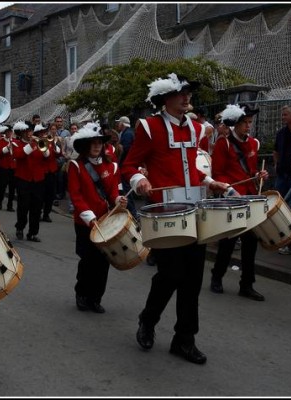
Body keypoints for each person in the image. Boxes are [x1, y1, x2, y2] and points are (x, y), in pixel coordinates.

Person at [121, 72, 229, 364]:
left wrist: (209, 182)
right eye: (181, 93)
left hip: (194, 213)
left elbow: (192, 168)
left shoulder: (195, 129)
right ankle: (148, 318)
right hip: (165, 215)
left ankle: (184, 339)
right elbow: (129, 166)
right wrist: (139, 182)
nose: (187, 98)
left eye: (189, 93)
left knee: (193, 279)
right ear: (165, 98)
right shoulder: (149, 126)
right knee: (170, 275)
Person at [209, 103, 269, 301]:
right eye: (245, 123)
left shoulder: (253, 144)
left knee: (251, 243)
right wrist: (230, 189)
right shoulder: (223, 144)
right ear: (235, 124)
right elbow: (217, 174)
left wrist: (259, 175)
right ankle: (217, 277)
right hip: (232, 200)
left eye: (250, 122)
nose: (248, 126)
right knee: (228, 242)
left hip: (249, 198)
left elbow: (250, 172)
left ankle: (247, 285)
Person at [68, 122, 127, 313]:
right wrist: (90, 218)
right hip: (85, 222)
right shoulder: (76, 165)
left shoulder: (112, 165)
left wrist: (119, 199)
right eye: (92, 143)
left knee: (103, 262)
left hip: (106, 221)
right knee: (87, 260)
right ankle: (82, 293)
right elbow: (76, 196)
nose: (96, 146)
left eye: (99, 143)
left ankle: (95, 298)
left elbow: (113, 192)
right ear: (86, 145)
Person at [12, 120, 48, 242]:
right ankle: (20, 227)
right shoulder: (16, 143)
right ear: (21, 133)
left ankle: (33, 233)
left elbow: (48, 156)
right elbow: (19, 155)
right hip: (23, 179)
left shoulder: (38, 143)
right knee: (23, 206)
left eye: (30, 131)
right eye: (26, 131)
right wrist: (32, 144)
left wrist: (43, 145)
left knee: (37, 208)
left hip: (38, 179)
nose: (29, 133)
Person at [115, 115, 137, 218]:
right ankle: (132, 212)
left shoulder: (127, 134)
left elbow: (127, 150)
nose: (117, 124)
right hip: (125, 165)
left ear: (122, 123)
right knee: (126, 189)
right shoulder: (126, 133)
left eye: (119, 123)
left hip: (125, 166)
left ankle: (133, 213)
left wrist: (120, 150)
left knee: (127, 190)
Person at [0, 124, 17, 212]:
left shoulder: (14, 141)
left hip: (13, 167)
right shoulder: (1, 141)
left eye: (10, 132)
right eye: (8, 132)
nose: (10, 133)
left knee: (12, 188)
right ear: (5, 133)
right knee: (2, 186)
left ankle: (10, 205)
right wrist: (7, 147)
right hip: (4, 167)